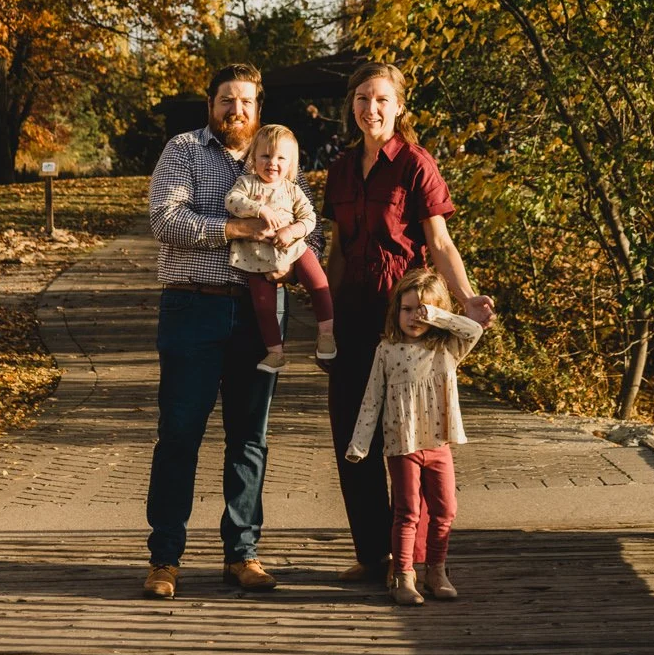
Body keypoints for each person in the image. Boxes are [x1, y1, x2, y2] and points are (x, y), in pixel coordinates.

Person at [141, 63, 313, 598]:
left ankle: (242, 554)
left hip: (262, 312)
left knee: (249, 439)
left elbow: (312, 225)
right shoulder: (184, 150)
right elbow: (165, 220)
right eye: (225, 101)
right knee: (179, 436)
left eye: (245, 102)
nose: (235, 111)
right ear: (210, 106)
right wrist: (237, 227)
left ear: (258, 106)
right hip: (194, 307)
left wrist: (293, 258)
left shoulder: (277, 151)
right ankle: (165, 559)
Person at [321, 60, 495, 582]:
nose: (370, 109)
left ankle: (413, 559)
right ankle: (372, 554)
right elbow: (335, 248)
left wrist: (466, 300)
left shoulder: (416, 163)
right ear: (351, 106)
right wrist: (325, 316)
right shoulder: (342, 167)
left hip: (405, 320)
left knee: (410, 435)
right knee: (354, 432)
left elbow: (438, 242)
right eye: (361, 99)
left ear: (399, 106)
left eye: (381, 100)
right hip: (352, 316)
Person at [344, 266, 484, 605]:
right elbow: (372, 399)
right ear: (396, 311)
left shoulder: (447, 348)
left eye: (421, 311)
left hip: (438, 444)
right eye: (407, 309)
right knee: (407, 512)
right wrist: (359, 443)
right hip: (402, 445)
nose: (413, 317)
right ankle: (404, 575)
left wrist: (434, 314)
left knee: (445, 509)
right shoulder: (387, 350)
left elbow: (474, 329)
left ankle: (436, 570)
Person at [225, 124, 336, 373]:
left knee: (319, 284)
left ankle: (326, 332)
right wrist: (259, 209)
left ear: (290, 164)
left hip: (295, 250)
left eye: (280, 158)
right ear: (254, 158)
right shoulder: (246, 183)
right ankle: (275, 352)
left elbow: (310, 219)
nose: (272, 163)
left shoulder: (292, 188)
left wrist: (292, 231)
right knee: (263, 307)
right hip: (255, 257)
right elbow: (231, 202)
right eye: (265, 156)